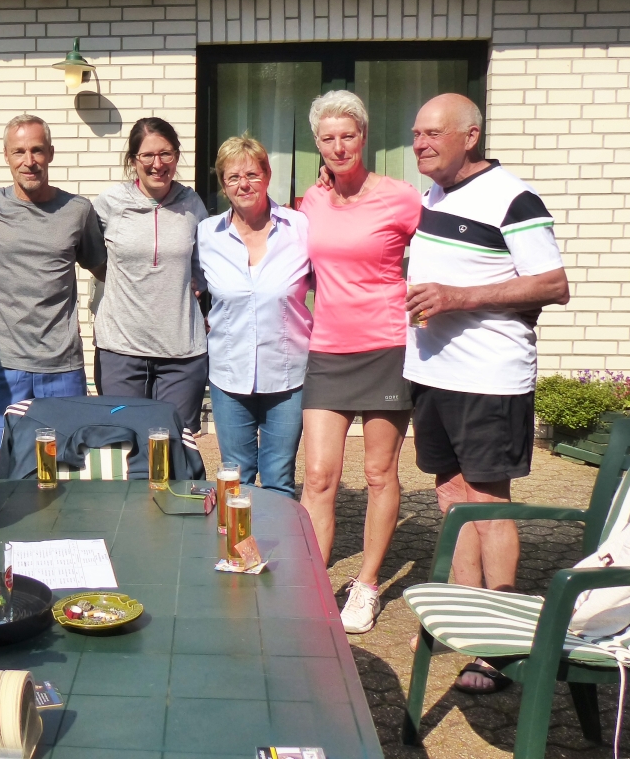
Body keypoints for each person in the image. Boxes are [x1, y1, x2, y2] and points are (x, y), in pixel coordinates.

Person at [404, 92, 569, 694]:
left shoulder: (513, 197)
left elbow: (553, 284)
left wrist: (458, 297)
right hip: (435, 372)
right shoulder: (435, 195)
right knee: (451, 495)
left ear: (470, 136)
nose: (420, 143)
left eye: (433, 133)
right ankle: (467, 619)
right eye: (416, 133)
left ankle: (498, 645)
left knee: (489, 502)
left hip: (489, 378)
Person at [296, 91, 422, 635]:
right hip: (327, 349)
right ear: (317, 144)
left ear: (364, 137)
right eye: (328, 138)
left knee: (377, 473)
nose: (339, 146)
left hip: (387, 347)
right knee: (318, 475)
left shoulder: (400, 198)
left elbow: (443, 248)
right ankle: (308, 581)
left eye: (348, 135)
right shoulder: (311, 200)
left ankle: (367, 585)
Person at [0, 114, 107, 451]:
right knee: (1, 460)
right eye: (18, 152)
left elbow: (106, 271)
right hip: (0, 365)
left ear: (50, 152)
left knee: (64, 460)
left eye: (37, 150)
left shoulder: (78, 210)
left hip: (61, 366)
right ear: (6, 156)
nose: (29, 161)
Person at [196, 136, 312, 496]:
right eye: (233, 177)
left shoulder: (299, 228)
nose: (243, 184)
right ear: (223, 184)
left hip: (288, 374)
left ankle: (278, 535)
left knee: (279, 478)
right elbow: (189, 286)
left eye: (252, 174)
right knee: (236, 478)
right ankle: (237, 537)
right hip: (229, 374)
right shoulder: (207, 234)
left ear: (267, 175)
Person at [92, 118, 208, 433]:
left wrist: (197, 283)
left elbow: (207, 260)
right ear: (134, 160)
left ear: (177, 156)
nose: (158, 164)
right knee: (123, 443)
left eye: (166, 154)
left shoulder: (192, 204)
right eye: (147, 155)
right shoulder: (110, 203)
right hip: (120, 351)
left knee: (175, 445)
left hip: (181, 354)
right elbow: (89, 253)